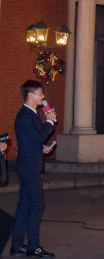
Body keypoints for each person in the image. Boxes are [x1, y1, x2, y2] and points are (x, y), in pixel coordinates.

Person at [11, 80, 57, 257]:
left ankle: (17, 245)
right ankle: (34, 246)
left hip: (29, 163)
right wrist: (50, 122)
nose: (43, 97)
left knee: (25, 205)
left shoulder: (31, 114)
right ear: (30, 96)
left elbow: (32, 141)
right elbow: (38, 137)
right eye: (40, 93)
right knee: (37, 204)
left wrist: (42, 148)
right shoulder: (25, 116)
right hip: (28, 167)